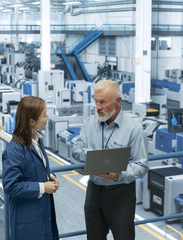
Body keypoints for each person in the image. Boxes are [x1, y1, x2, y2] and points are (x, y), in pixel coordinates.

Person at [72, 80, 148, 240]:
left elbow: (141, 165)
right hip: (94, 192)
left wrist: (118, 174)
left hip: (121, 194)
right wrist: (97, 159)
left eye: (103, 102)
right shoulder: (89, 123)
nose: (97, 106)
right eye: (95, 101)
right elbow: (77, 149)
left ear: (117, 101)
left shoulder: (134, 130)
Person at [2, 96, 59, 240]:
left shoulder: (37, 141)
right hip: (27, 220)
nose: (47, 117)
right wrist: (43, 187)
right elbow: (10, 185)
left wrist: (49, 177)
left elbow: (34, 168)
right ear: (32, 121)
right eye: (44, 114)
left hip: (42, 213)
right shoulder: (14, 150)